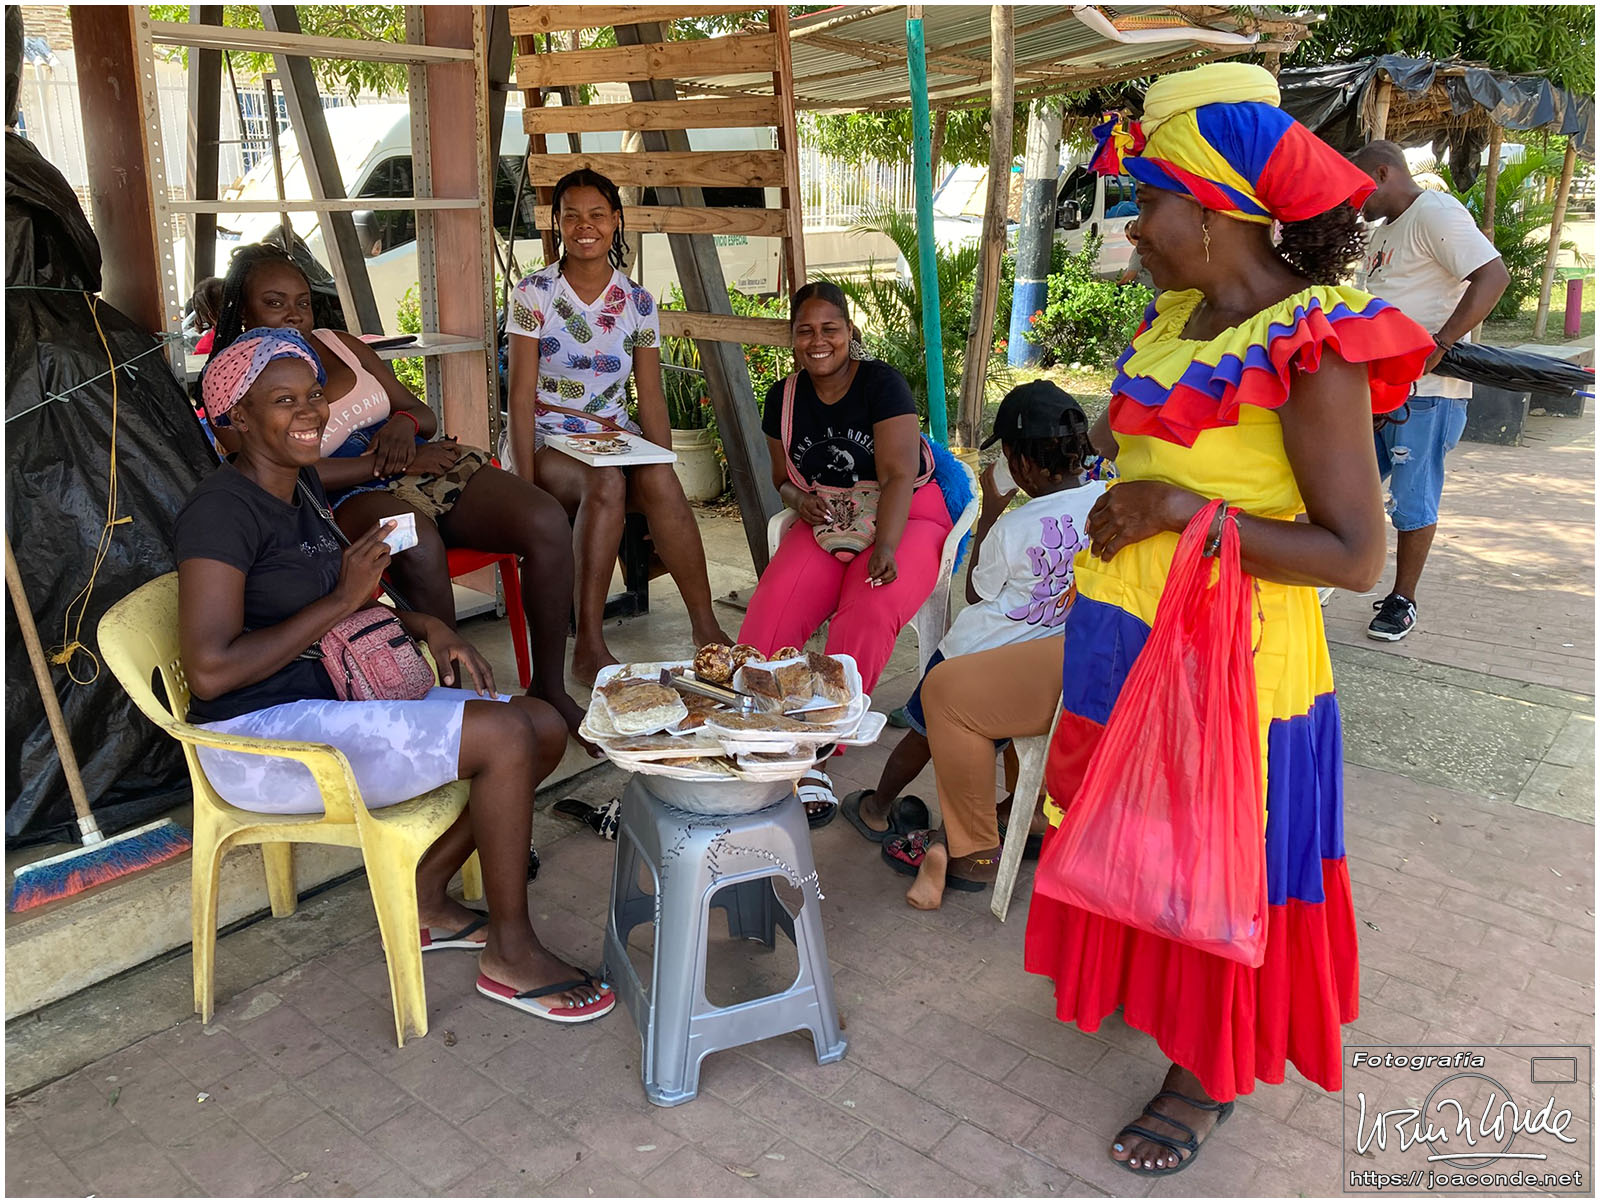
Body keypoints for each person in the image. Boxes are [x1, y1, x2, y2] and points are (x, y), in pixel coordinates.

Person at [912, 64, 1432, 1176]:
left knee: (1217, 853)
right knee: (1143, 839)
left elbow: (1355, 555)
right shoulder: (1177, 323)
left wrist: (1178, 511)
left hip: (1235, 661)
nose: (1132, 229)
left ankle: (1206, 1070)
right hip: (1124, 635)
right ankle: (1156, 1001)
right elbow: (1139, 450)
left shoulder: (1313, 342)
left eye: (1147, 204)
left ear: (1212, 211)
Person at [176, 328, 614, 1023]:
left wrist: (426, 625)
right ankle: (510, 950)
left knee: (542, 723)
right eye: (283, 401)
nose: (309, 411)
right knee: (504, 734)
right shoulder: (220, 511)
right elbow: (209, 671)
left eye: (313, 393)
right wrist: (342, 601)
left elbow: (339, 599)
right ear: (238, 419)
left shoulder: (300, 486)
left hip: (326, 700)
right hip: (256, 739)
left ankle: (427, 895)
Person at [205, 244, 592, 746]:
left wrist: (403, 425)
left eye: (303, 301)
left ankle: (549, 686)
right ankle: (454, 706)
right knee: (417, 543)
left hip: (417, 466)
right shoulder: (239, 382)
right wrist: (386, 463)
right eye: (275, 302)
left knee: (544, 518)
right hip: (343, 495)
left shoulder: (340, 344)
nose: (294, 314)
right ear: (242, 308)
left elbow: (421, 413)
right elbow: (278, 472)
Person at [841, 381, 1103, 852]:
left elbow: (976, 591)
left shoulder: (1013, 527)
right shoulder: (1105, 503)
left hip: (971, 659)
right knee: (1014, 743)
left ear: (1020, 465)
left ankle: (878, 807)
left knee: (921, 736)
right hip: (1040, 663)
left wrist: (991, 514)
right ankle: (1020, 820)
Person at [504, 168, 733, 684]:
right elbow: (519, 396)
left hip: (613, 437)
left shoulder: (637, 301)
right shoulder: (534, 293)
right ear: (558, 223)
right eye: (572, 216)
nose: (584, 226)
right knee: (605, 482)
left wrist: (659, 461)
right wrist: (524, 486)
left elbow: (650, 397)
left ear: (615, 221)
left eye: (597, 215)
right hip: (548, 438)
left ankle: (705, 627)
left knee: (660, 479)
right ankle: (588, 644)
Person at [1348, 139, 1509, 641]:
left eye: (1358, 189)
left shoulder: (1434, 211)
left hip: (1428, 390)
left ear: (1382, 173)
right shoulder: (1384, 231)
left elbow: (1493, 276)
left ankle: (1403, 600)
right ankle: (1332, 572)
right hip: (1383, 387)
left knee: (1412, 498)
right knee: (1351, 485)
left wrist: (1442, 341)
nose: (1354, 201)